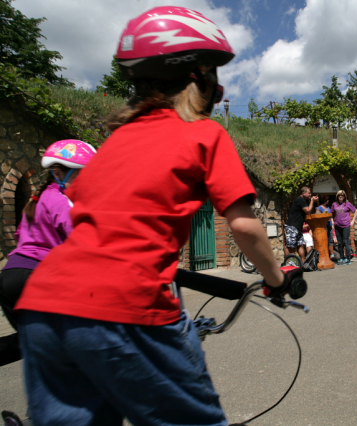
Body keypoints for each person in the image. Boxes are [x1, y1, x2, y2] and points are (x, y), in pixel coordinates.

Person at [15, 7, 302, 426]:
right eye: (213, 81)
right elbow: (241, 224)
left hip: (43, 306)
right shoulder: (203, 134)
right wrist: (277, 279)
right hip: (126, 306)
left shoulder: (112, 144)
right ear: (197, 80)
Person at [0, 140, 96, 331]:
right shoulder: (62, 200)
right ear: (58, 173)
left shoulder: (38, 200)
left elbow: (21, 236)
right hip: (36, 276)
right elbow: (82, 238)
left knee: (32, 346)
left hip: (9, 277)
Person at [284, 187, 318, 263]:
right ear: (303, 193)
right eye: (309, 193)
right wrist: (312, 200)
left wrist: (311, 199)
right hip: (292, 226)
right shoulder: (300, 199)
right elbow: (308, 211)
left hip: (298, 227)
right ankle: (285, 263)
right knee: (290, 245)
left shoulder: (304, 200)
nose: (310, 194)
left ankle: (303, 263)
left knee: (301, 244)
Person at [331, 190, 357, 265]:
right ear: (337, 196)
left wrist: (353, 221)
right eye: (339, 195)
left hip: (346, 225)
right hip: (337, 225)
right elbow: (331, 213)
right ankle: (342, 258)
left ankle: (348, 258)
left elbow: (356, 211)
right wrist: (332, 222)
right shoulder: (334, 204)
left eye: (342, 195)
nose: (340, 196)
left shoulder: (348, 204)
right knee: (339, 243)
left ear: (344, 196)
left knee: (346, 242)